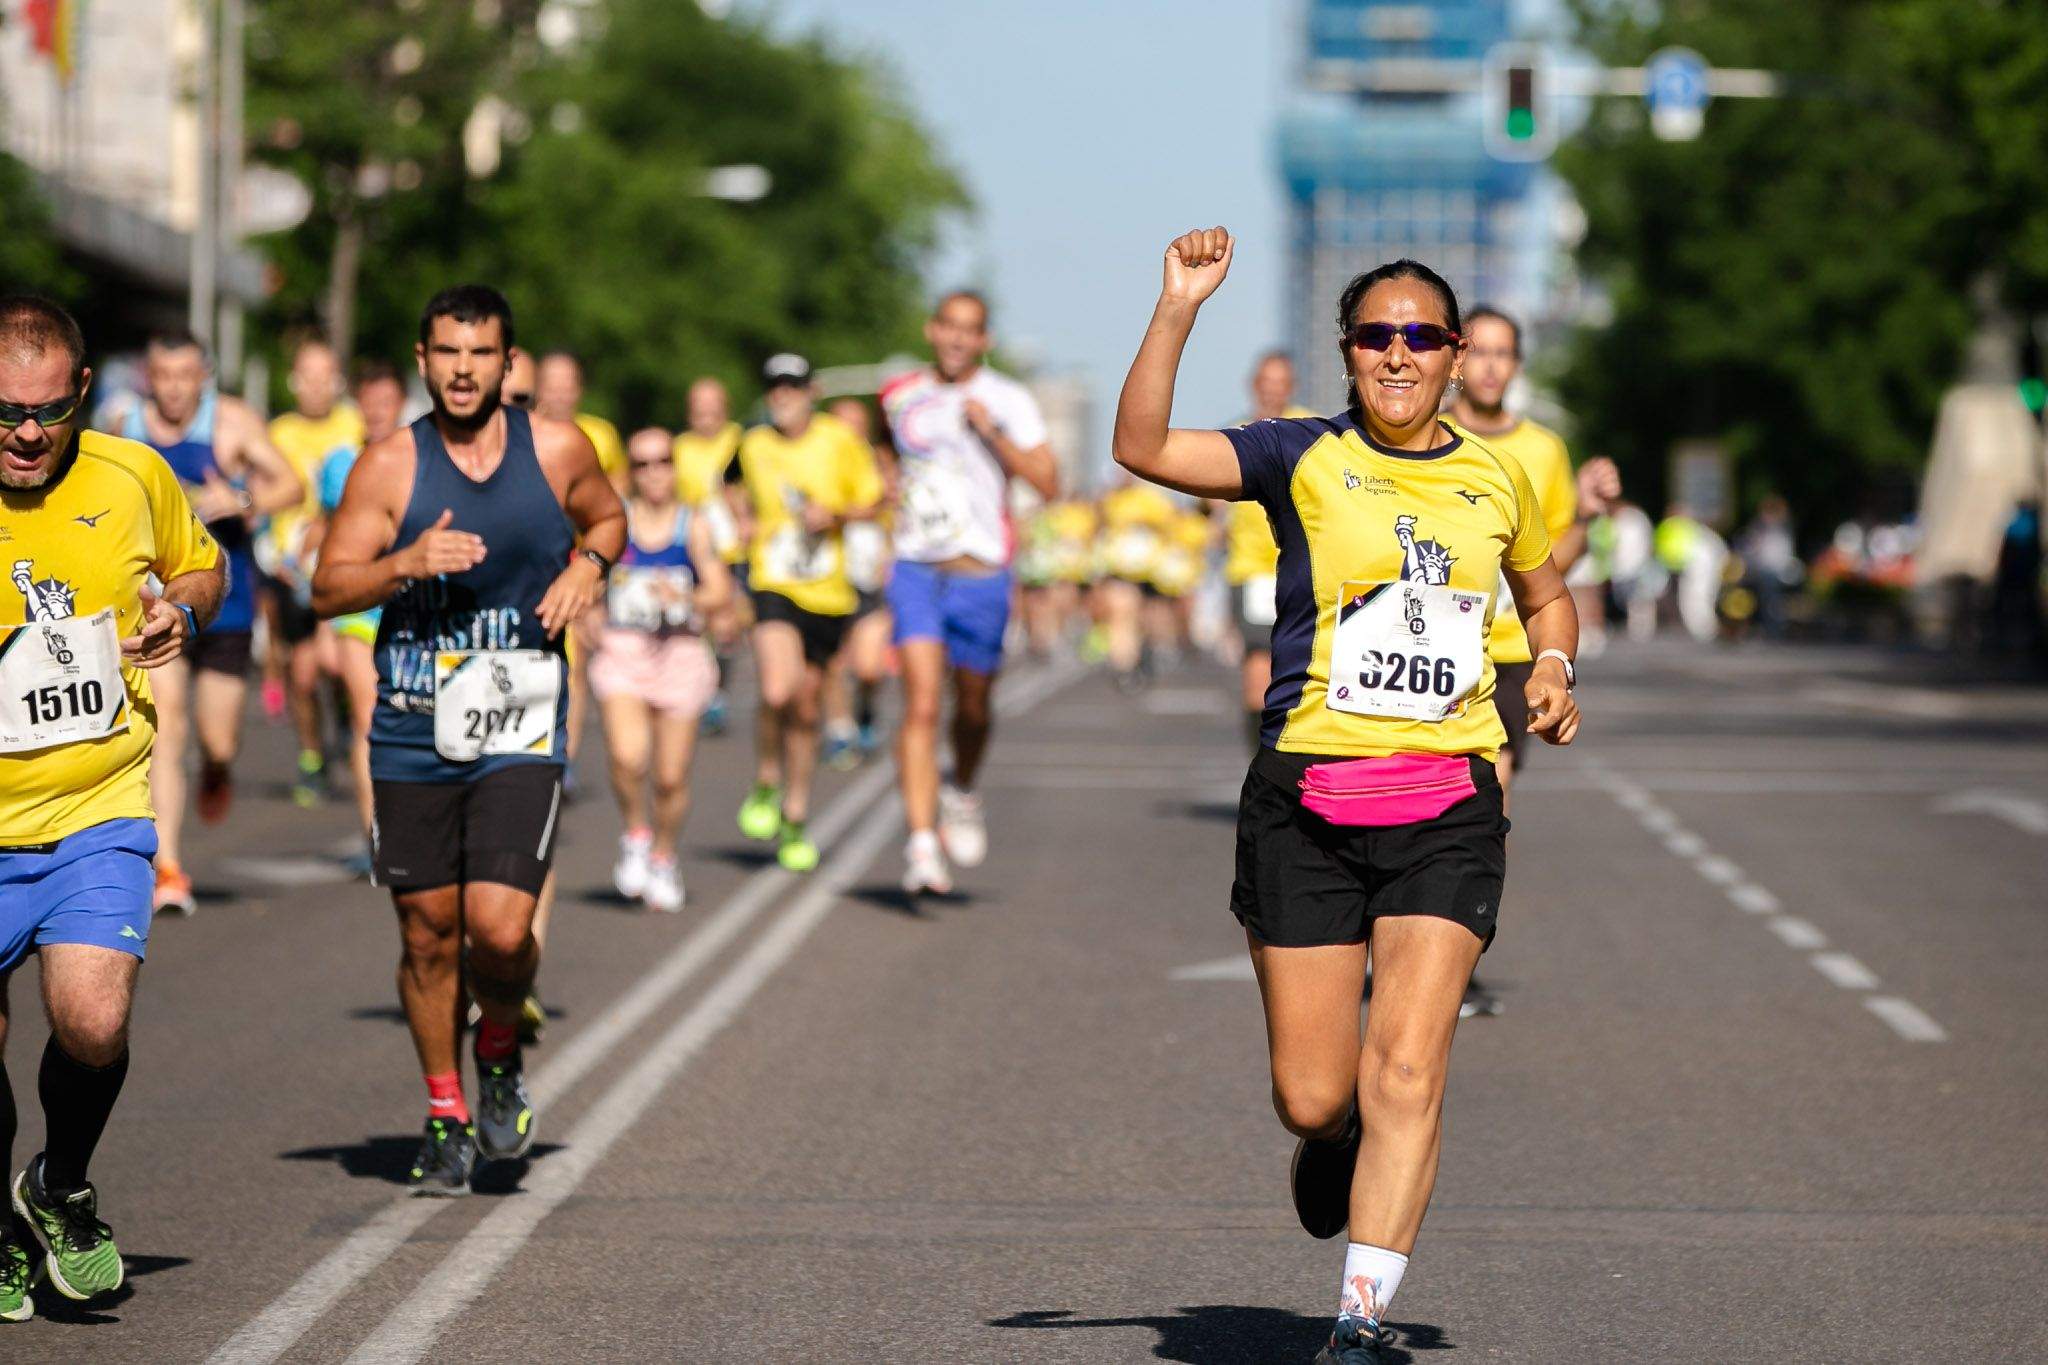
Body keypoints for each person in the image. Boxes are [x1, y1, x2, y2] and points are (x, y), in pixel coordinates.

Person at [1111, 230, 1581, 1364]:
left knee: (1409, 1065)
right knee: (1315, 1099)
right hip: (1306, 804)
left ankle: (1359, 1320)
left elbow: (1545, 594)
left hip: (1449, 801)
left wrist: (1553, 666)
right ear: (1348, 351)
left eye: (1420, 336)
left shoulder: (1496, 475)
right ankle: (1335, 1141)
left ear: (1457, 354)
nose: (1398, 354)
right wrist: (1177, 307)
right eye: (1376, 335)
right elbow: (1140, 448)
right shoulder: (1296, 456)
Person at [313, 285, 624, 1195]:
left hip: (519, 718)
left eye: (480, 353)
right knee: (427, 933)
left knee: (499, 927)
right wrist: (402, 564)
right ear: (421, 360)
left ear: (508, 364)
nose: (462, 368)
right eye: (446, 351)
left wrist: (588, 568)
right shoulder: (388, 465)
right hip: (412, 726)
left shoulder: (559, 448)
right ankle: (445, 1110)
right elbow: (328, 589)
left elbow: (608, 517)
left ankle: (497, 1046)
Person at [0, 295, 227, 1317]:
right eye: (3, 412)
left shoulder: (134, 473)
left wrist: (180, 609)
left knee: (92, 1022)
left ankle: (61, 1184)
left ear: (84, 395)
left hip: (98, 799)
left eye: (46, 413)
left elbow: (204, 563)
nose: (24, 435)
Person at [112, 330, 302, 915]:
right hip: (154, 600)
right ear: (149, 377)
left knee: (218, 740)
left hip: (227, 602)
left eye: (184, 376)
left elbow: (290, 484)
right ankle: (167, 867)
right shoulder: (125, 427)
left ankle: (219, 771)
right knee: (165, 728)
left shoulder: (234, 424)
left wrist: (241, 503)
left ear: (205, 377)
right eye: (162, 376)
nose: (172, 388)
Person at [880, 292, 1058, 895]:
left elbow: (1048, 480)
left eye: (970, 330)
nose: (957, 339)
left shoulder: (1009, 400)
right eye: (948, 327)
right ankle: (921, 841)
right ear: (933, 330)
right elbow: (887, 463)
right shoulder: (899, 395)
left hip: (982, 570)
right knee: (923, 704)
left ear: (984, 340)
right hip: (915, 568)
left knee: (974, 706)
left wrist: (993, 435)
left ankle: (962, 790)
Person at [1444, 306, 1618, 807]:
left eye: (1503, 354)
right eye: (1478, 353)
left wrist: (1585, 517)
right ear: (1456, 360)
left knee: (1493, 781)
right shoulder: (1428, 438)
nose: (1491, 367)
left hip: (1511, 646)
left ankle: (1480, 883)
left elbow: (1554, 562)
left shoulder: (1543, 449)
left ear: (1518, 364)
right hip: (1438, 641)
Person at [732, 354, 883, 873]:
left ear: (811, 390)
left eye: (793, 385)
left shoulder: (839, 441)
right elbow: (726, 484)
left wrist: (834, 514)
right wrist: (741, 520)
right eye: (774, 385)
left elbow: (874, 499)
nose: (783, 394)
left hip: (828, 594)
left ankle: (795, 812)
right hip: (773, 583)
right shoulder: (752, 443)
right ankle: (767, 780)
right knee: (777, 687)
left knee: (807, 705)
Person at [592, 428, 733, 911]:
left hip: (679, 651)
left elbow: (720, 589)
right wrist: (588, 615)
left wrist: (687, 596)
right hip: (626, 649)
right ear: (630, 471)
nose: (654, 472)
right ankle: (635, 830)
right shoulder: (615, 522)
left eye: (663, 461)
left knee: (671, 777)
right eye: (643, 463)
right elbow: (586, 575)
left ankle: (664, 854)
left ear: (675, 467)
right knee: (629, 758)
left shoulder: (692, 524)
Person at [313, 360, 410, 867]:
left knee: (409, 718)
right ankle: (379, 834)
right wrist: (323, 622)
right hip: (357, 609)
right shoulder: (339, 463)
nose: (376, 412)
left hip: (412, 605)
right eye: (367, 402)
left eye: (385, 402)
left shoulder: (421, 458)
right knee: (369, 719)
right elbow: (328, 541)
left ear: (400, 405)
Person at [266, 337, 365, 806]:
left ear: (338, 381)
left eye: (326, 377)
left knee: (338, 663)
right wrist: (273, 552)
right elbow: (263, 497)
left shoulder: (355, 424)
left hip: (344, 559)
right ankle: (312, 756)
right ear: (293, 381)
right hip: (292, 570)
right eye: (308, 376)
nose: (316, 387)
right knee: (302, 674)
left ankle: (348, 714)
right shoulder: (279, 432)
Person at [1223, 352, 1315, 749]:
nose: (1272, 388)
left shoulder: (1311, 430)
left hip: (1303, 568)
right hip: (1253, 573)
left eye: (1280, 381)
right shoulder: (1235, 435)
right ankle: (1262, 756)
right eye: (1265, 380)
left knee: (1305, 672)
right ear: (1253, 383)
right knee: (1258, 671)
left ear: (1291, 386)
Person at [673, 377, 749, 736]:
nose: (706, 415)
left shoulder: (741, 441)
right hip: (693, 548)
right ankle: (702, 687)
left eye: (713, 408)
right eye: (699, 408)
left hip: (732, 547)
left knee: (726, 623)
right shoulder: (679, 448)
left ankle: (716, 691)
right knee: (700, 620)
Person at [821, 394, 894, 768]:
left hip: (870, 574)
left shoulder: (881, 464)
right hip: (827, 574)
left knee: (868, 665)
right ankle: (839, 729)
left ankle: (865, 709)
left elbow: (898, 510)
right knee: (833, 660)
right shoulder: (816, 462)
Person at [1095, 472, 1176, 688]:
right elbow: (1099, 531)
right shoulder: (1110, 501)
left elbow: (1171, 526)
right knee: (1122, 616)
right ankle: (1124, 667)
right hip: (1121, 570)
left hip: (1150, 571)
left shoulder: (1152, 500)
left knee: (1149, 619)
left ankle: (1149, 652)